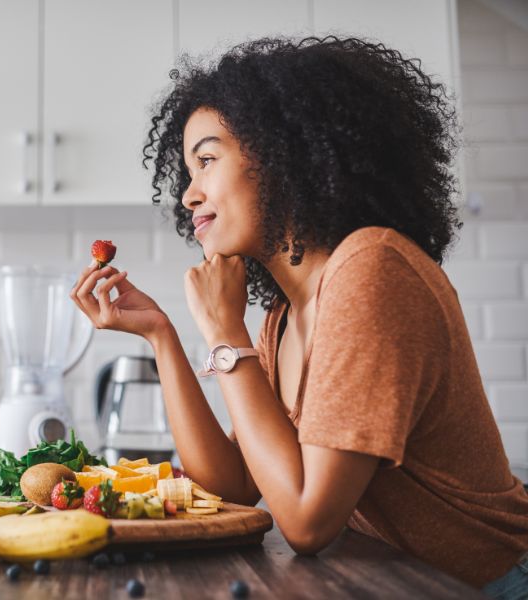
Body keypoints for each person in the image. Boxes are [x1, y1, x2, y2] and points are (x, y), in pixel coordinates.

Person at [70, 36, 528, 596]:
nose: (189, 195)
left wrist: (224, 332)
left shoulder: (371, 269)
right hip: (398, 580)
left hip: (493, 583)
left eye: (207, 160)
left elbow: (307, 521)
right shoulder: (282, 318)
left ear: (283, 154)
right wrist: (162, 336)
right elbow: (236, 484)